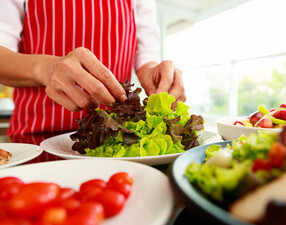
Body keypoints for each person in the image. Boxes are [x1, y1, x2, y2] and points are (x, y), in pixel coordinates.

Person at [0, 0, 186, 135]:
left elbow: (147, 55)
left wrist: (153, 72)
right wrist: (48, 69)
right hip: (35, 137)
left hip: (114, 138)